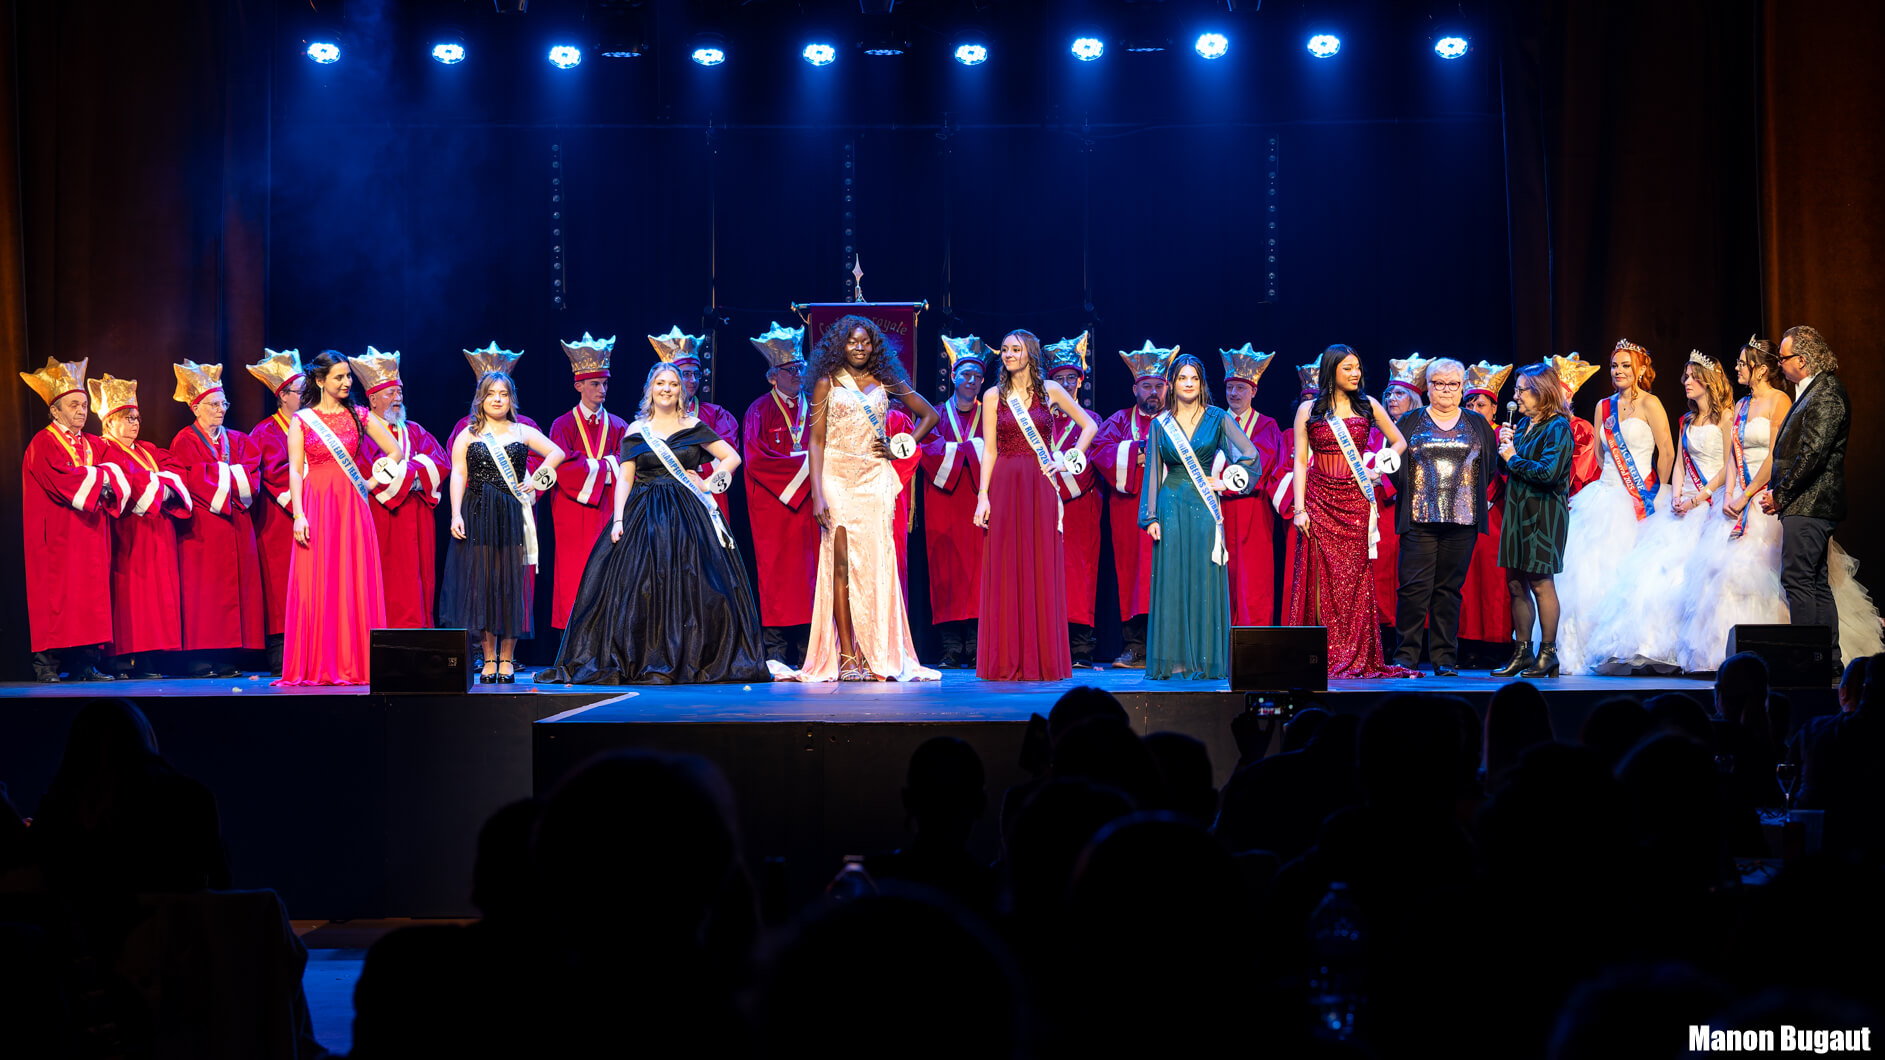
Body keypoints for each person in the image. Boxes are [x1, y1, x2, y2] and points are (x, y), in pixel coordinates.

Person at [537, 363, 769, 684]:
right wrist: (618, 519)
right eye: (660, 383)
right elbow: (625, 480)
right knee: (641, 587)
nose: (667, 389)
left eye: (673, 384)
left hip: (689, 516)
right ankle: (646, 657)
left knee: (695, 586)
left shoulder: (694, 425)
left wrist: (706, 484)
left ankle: (691, 658)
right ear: (650, 388)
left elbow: (732, 458)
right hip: (643, 514)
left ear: (681, 390)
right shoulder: (636, 429)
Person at [774, 315, 940, 682]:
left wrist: (901, 447)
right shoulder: (824, 383)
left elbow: (928, 414)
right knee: (841, 564)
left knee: (877, 566)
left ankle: (876, 652)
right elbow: (815, 442)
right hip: (837, 477)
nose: (860, 347)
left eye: (865, 341)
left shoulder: (886, 380)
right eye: (852, 342)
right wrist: (817, 494)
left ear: (874, 345)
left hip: (875, 478)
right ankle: (848, 655)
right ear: (840, 345)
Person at [1584, 352, 1733, 673]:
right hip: (1668, 499)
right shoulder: (1686, 419)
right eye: (1686, 377)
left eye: (1693, 378)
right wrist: (1678, 494)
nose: (1686, 383)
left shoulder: (1727, 418)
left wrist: (1697, 496)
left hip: (1711, 500)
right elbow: (1679, 459)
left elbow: (1728, 464)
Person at [1284, 344, 1419, 679]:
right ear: (1331, 370)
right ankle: (1320, 653)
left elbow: (1399, 442)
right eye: (1347, 368)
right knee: (1320, 577)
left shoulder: (1369, 405)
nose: (1355, 373)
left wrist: (1379, 469)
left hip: (1355, 501)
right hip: (1318, 499)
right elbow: (1300, 461)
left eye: (1357, 367)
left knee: (1354, 581)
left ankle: (1355, 654)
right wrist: (1299, 509)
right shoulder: (1308, 409)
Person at [975, 331, 1097, 681]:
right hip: (1004, 482)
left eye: (1016, 349)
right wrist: (983, 495)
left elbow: (1089, 424)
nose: (1009, 355)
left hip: (1040, 482)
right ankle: (1007, 659)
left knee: (1040, 562)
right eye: (1006, 350)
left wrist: (1068, 458)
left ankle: (1041, 659)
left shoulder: (1051, 391)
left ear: (1031, 353)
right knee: (1006, 566)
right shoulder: (993, 395)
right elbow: (989, 449)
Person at [279, 350, 405, 685]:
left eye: (348, 376)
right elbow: (294, 470)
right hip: (316, 503)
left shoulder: (361, 415)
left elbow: (396, 450)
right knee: (318, 582)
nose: (347, 382)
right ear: (319, 381)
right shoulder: (302, 420)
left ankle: (354, 662)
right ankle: (318, 663)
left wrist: (373, 481)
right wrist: (299, 515)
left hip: (351, 504)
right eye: (339, 377)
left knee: (351, 579)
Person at [1554, 340, 1675, 675]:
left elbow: (1666, 451)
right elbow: (1600, 455)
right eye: (1614, 366)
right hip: (1606, 496)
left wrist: (1659, 495)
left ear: (1639, 369)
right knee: (1591, 572)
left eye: (1625, 365)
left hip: (1643, 498)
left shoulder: (1652, 404)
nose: (1619, 372)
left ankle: (1631, 646)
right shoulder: (1602, 407)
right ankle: (1591, 649)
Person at [1138, 353, 1258, 680]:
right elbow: (1152, 472)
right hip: (1171, 504)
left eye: (1194, 378)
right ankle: (1175, 660)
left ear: (1201, 384)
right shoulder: (1160, 424)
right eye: (1182, 378)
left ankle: (1203, 660)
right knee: (1173, 579)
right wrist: (1150, 517)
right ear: (1171, 384)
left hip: (1205, 508)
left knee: (1203, 577)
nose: (1188, 384)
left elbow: (1250, 455)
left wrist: (1226, 481)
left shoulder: (1218, 417)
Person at [440, 372, 567, 683]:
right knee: (482, 584)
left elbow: (558, 453)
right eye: (491, 393)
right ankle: (489, 657)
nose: (497, 399)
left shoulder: (522, 431)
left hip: (511, 513)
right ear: (480, 399)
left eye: (504, 394)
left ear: (512, 399)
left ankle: (508, 658)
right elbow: (458, 474)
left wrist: (535, 480)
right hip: (478, 511)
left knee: (509, 584)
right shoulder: (468, 434)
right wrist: (456, 513)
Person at [1389, 357, 1498, 676]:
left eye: (1453, 384)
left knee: (1448, 591)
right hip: (1419, 519)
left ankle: (1444, 658)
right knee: (1412, 590)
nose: (1446, 390)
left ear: (1462, 387)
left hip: (1462, 521)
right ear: (1428, 386)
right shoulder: (1408, 421)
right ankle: (1406, 656)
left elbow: (1488, 467)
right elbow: (1393, 465)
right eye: (1439, 383)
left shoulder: (1478, 424)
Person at [20, 356, 123, 681]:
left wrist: (104, 476)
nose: (82, 410)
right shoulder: (43, 442)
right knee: (55, 598)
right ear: (55, 410)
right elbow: (65, 479)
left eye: (84, 404)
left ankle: (84, 664)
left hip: (91, 533)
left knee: (89, 599)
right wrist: (101, 477)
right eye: (74, 405)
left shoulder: (93, 443)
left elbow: (119, 471)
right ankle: (46, 665)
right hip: (57, 538)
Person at [166, 359, 266, 677]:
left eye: (223, 403)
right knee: (205, 591)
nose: (221, 409)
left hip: (235, 526)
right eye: (213, 404)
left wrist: (222, 474)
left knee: (233, 591)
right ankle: (200, 656)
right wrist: (228, 475)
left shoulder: (237, 440)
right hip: (203, 529)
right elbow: (192, 479)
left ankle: (225, 654)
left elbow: (252, 475)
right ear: (196, 408)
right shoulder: (184, 440)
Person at [1761, 325, 1851, 676]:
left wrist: (1781, 495)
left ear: (1801, 359)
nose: (1779, 365)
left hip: (1811, 504)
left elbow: (1813, 455)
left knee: (1799, 580)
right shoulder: (1813, 390)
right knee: (1813, 582)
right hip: (1807, 504)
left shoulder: (1826, 392)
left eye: (1782, 358)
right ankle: (1826, 663)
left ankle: (1809, 663)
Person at [92, 375, 190, 678]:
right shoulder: (101, 448)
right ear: (109, 422)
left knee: (154, 599)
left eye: (136, 417)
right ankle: (120, 660)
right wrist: (154, 484)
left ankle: (148, 657)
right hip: (127, 531)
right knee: (128, 597)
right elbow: (119, 482)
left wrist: (155, 484)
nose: (135, 423)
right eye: (127, 418)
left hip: (156, 530)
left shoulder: (147, 449)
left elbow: (174, 471)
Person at [350, 347, 450, 630]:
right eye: (390, 394)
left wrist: (406, 473)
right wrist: (415, 474)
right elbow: (368, 470)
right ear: (371, 399)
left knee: (420, 578)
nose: (397, 399)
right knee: (386, 579)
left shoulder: (415, 430)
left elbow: (440, 463)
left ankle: (418, 638)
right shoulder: (363, 434)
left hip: (418, 517)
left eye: (399, 393)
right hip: (382, 517)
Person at [740, 322, 818, 667]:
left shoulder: (818, 407)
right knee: (776, 575)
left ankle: (808, 649)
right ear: (773, 376)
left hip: (811, 508)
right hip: (774, 509)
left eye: (801, 367)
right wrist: (807, 468)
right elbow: (756, 460)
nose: (798, 374)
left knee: (811, 575)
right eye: (790, 370)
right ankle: (774, 650)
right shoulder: (758, 411)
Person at [1091, 342, 1172, 668]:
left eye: (1158, 386)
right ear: (1134, 388)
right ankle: (1135, 646)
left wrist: (1145, 453)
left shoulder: (1180, 421)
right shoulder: (1119, 421)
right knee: (1133, 578)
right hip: (1130, 512)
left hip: (1171, 508)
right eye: (1146, 386)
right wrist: (1139, 449)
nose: (1152, 392)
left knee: (1169, 576)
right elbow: (1100, 451)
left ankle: (1170, 648)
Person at [1492, 363, 1576, 678]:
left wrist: (1513, 457)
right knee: (1515, 583)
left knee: (1541, 583)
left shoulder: (1557, 427)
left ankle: (1548, 653)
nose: (1516, 396)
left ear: (1541, 391)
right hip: (1517, 512)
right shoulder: (1525, 424)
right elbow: (1510, 471)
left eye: (1521, 390)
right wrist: (1506, 453)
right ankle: (1522, 652)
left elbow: (1549, 473)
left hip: (1543, 514)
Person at [545, 333, 630, 632]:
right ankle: (571, 650)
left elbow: (627, 465)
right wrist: (606, 467)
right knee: (573, 573)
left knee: (609, 572)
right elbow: (564, 467)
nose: (602, 390)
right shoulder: (562, 425)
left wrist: (596, 466)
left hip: (609, 508)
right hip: (571, 510)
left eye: (605, 383)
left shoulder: (620, 425)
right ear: (578, 385)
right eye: (595, 384)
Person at [919, 335, 990, 668]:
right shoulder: (934, 415)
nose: (971, 381)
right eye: (965, 375)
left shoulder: (989, 415)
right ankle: (949, 648)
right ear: (952, 377)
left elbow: (997, 451)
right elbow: (927, 453)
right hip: (944, 503)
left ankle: (977, 645)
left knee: (980, 572)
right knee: (947, 571)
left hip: (979, 501)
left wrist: (965, 451)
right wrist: (971, 450)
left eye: (977, 376)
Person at [1045, 333, 1105, 665]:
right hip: (1042, 509)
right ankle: (1047, 643)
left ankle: (1081, 647)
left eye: (1072, 378)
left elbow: (1092, 466)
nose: (1066, 384)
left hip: (1079, 508)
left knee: (1080, 575)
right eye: (1059, 379)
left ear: (1080, 382)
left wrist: (1056, 482)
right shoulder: (1037, 420)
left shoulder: (1091, 421)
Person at [245, 348, 304, 673]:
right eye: (300, 391)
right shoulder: (264, 432)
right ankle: (281, 654)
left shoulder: (311, 426)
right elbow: (276, 472)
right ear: (282, 395)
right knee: (281, 588)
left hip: (312, 516)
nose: (307, 397)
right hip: (278, 522)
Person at [649, 326, 741, 522]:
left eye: (696, 374)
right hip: (665, 501)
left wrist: (706, 483)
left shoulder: (718, 416)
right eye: (686, 374)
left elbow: (729, 461)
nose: (692, 381)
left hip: (707, 499)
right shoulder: (651, 420)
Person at [1457, 361, 1514, 657]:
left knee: (1493, 580)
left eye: (1482, 404)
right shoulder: (1457, 433)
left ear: (1494, 408)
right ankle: (1467, 645)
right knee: (1467, 581)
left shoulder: (1501, 434)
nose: (1476, 408)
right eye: (1471, 403)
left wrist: (1486, 497)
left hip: (1494, 512)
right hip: (1462, 514)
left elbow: (1506, 471)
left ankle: (1496, 645)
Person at [1376, 355, 1429, 631]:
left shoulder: (1423, 431)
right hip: (1381, 516)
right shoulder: (1375, 434)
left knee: (1411, 577)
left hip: (1413, 511)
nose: (1392, 399)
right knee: (1381, 575)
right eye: (1389, 393)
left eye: (1399, 393)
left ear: (1413, 398)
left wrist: (1387, 484)